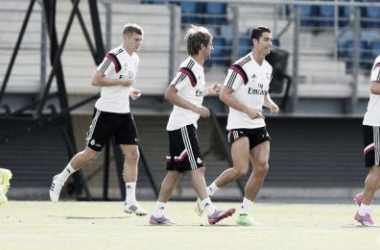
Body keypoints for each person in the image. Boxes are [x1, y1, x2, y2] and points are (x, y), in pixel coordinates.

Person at [49, 23, 147, 216]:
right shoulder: (114, 56)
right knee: (90, 154)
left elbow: (124, 82)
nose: (139, 44)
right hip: (105, 113)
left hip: (124, 114)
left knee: (133, 154)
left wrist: (130, 91)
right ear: (125, 38)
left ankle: (130, 201)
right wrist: (121, 83)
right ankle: (61, 177)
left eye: (141, 40)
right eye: (136, 40)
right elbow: (96, 80)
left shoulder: (135, 59)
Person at [149, 25, 235, 225]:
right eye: (210, 44)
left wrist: (207, 91)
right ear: (202, 46)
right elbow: (170, 93)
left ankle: (157, 214)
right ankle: (211, 211)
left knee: (175, 172)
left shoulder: (196, 68)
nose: (213, 48)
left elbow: (190, 93)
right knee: (198, 168)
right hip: (183, 126)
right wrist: (196, 109)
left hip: (181, 126)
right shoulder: (188, 67)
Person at [195, 26, 279, 226]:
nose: (270, 43)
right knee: (240, 169)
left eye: (271, 40)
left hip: (258, 123)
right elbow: (225, 94)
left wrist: (270, 103)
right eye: (266, 39)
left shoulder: (268, 68)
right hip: (239, 123)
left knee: (262, 167)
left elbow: (262, 93)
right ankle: (207, 193)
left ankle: (244, 213)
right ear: (255, 42)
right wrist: (247, 110)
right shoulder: (240, 66)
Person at [354, 54, 380, 227]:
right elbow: (374, 87)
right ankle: (364, 212)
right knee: (376, 169)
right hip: (376, 123)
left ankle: (364, 196)